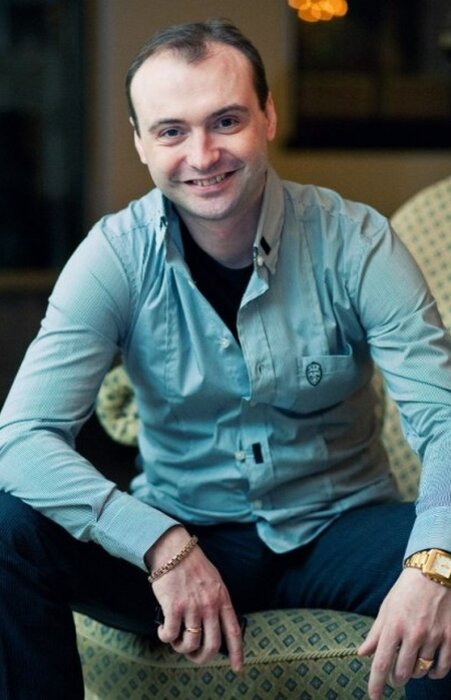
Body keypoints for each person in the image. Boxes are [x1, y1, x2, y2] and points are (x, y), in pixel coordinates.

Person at [0, 18, 450, 700]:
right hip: (187, 525)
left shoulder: (357, 241)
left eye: (226, 121)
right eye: (171, 131)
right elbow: (21, 439)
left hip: (340, 526)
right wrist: (160, 544)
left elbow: (442, 420)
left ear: (267, 115)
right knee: (9, 530)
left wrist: (432, 564)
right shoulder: (114, 256)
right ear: (141, 142)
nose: (202, 155)